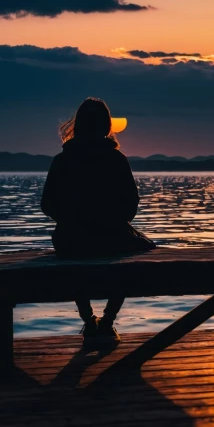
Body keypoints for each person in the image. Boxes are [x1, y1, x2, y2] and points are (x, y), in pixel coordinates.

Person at [41, 97, 156, 347]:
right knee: (130, 257)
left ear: (78, 125)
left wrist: (72, 219)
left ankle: (88, 320)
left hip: (70, 240)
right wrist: (109, 220)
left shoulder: (62, 160)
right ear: (106, 126)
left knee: (74, 265)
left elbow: (47, 205)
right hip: (111, 238)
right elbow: (130, 207)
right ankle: (107, 321)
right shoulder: (116, 160)